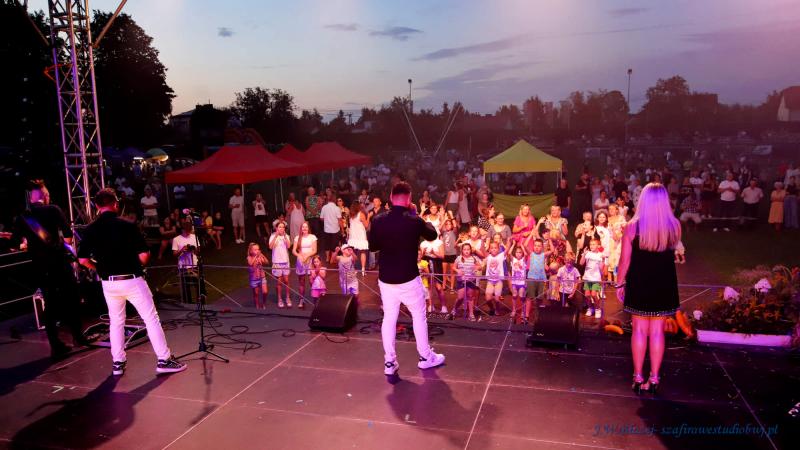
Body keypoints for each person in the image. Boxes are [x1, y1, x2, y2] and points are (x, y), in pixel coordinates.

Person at [77, 188, 186, 376]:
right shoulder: (128, 225)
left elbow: (82, 260)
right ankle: (164, 360)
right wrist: (136, 264)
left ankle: (118, 363)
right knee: (151, 318)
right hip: (132, 280)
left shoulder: (90, 230)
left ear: (96, 206)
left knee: (116, 322)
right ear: (116, 204)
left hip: (109, 283)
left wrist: (99, 268)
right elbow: (144, 255)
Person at [368, 182, 444, 376]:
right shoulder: (414, 220)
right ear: (409, 199)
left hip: (386, 279)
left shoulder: (378, 220)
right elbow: (432, 234)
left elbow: (373, 247)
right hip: (409, 278)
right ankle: (425, 357)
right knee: (418, 316)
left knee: (389, 318)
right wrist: (416, 214)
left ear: (391, 198)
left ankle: (389, 362)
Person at [6, 180, 89, 358]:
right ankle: (78, 337)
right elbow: (68, 238)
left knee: (50, 305)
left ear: (30, 197)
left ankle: (55, 346)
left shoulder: (22, 218)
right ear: (44, 195)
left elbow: (14, 245)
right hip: (60, 263)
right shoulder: (53, 210)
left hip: (40, 267)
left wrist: (28, 244)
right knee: (71, 299)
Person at [616, 183, 684, 395]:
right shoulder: (674, 226)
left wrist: (619, 283)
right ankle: (654, 378)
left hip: (640, 282)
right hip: (664, 283)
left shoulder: (632, 227)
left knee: (639, 330)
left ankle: (638, 377)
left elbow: (624, 261)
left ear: (643, 200)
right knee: (657, 332)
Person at [452, 242, 481, 321]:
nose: (466, 251)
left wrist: (477, 267)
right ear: (462, 250)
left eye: (468, 249)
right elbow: (453, 267)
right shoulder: (459, 258)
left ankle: (471, 314)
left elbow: (480, 266)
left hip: (471, 281)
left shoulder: (474, 258)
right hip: (461, 281)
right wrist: (457, 270)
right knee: (460, 298)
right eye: (465, 249)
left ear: (471, 250)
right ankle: (454, 309)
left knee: (470, 297)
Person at [172, 221, 200, 303]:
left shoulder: (194, 237)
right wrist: (182, 250)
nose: (188, 232)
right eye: (187, 230)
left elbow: (198, 252)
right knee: (185, 287)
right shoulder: (176, 239)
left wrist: (194, 249)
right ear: (183, 230)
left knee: (197, 285)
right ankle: (188, 303)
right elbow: (174, 254)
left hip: (194, 265)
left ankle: (199, 302)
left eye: (189, 230)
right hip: (183, 266)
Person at [292, 221, 317, 309]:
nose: (304, 228)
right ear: (301, 228)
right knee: (301, 281)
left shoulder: (312, 237)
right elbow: (294, 250)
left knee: (311, 281)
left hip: (310, 260)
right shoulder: (297, 238)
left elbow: (314, 250)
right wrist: (299, 256)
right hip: (301, 261)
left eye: (306, 227)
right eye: (303, 227)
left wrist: (307, 256)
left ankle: (315, 299)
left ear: (308, 228)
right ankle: (301, 299)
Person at [420, 234, 447, 314]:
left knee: (438, 287)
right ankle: (431, 305)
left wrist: (434, 253)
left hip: (436, 264)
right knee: (429, 286)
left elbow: (442, 256)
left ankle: (444, 306)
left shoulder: (439, 242)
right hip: (426, 263)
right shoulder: (423, 243)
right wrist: (423, 253)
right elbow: (420, 256)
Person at [580, 238, 605, 319]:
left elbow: (601, 268)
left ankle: (598, 309)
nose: (591, 246)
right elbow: (581, 263)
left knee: (594, 294)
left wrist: (603, 260)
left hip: (596, 278)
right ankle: (590, 308)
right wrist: (584, 254)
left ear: (598, 246)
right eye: (590, 244)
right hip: (587, 277)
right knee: (587, 295)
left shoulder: (600, 255)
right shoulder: (587, 253)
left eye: (594, 244)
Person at [269, 222, 292, 308]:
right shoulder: (273, 236)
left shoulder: (286, 236)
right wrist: (276, 236)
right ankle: (279, 299)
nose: (281, 228)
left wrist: (285, 236)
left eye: (283, 227)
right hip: (277, 262)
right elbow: (270, 247)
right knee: (279, 282)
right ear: (276, 228)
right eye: (280, 227)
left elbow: (288, 246)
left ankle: (288, 298)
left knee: (286, 280)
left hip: (285, 261)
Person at [347, 201, 370, 275]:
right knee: (363, 252)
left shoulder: (351, 215)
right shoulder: (361, 214)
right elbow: (366, 225)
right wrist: (368, 217)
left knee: (353, 252)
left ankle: (353, 268)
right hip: (360, 236)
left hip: (353, 236)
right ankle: (363, 269)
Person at [247, 242, 269, 309]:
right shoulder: (249, 257)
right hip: (254, 278)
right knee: (256, 293)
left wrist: (262, 255)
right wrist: (256, 256)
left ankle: (263, 303)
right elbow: (250, 263)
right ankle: (257, 305)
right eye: (255, 249)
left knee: (265, 292)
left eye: (258, 249)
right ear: (251, 251)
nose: (257, 251)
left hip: (262, 277)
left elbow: (267, 262)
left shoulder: (259, 256)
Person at [440, 218, 459, 292]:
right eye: (447, 224)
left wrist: (451, 216)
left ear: (451, 225)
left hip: (452, 254)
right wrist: (444, 219)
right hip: (445, 254)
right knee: (444, 272)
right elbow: (440, 228)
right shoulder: (443, 232)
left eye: (449, 224)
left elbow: (455, 226)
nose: (448, 225)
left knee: (452, 272)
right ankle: (444, 286)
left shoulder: (454, 232)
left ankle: (451, 287)